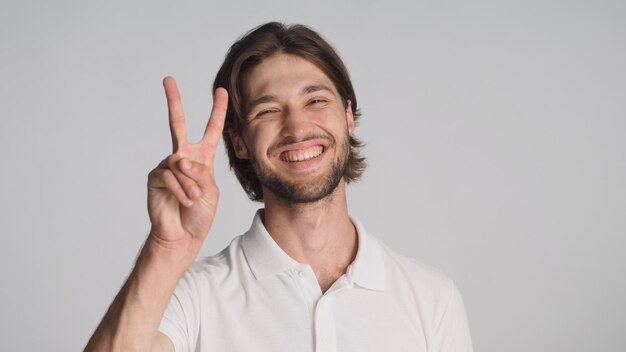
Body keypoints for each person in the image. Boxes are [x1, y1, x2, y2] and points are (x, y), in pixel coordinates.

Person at [85, 22, 473, 352]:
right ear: (238, 142)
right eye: (267, 110)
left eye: (316, 100)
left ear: (349, 115)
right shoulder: (191, 295)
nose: (298, 128)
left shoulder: (431, 297)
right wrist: (166, 249)